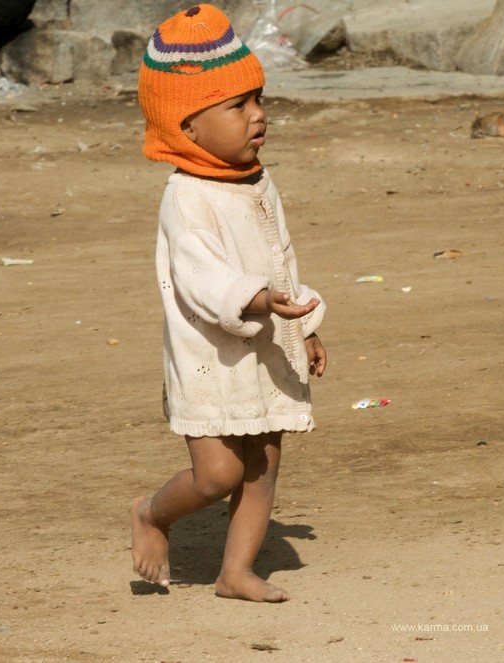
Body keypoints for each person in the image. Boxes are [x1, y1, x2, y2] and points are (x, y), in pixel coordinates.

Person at [130, 4, 327, 603]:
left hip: (269, 345)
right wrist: (261, 298)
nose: (258, 116)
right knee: (218, 475)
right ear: (186, 127)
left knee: (262, 467)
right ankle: (150, 515)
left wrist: (307, 326)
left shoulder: (258, 182)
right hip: (211, 355)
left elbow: (280, 255)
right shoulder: (186, 198)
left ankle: (234, 572)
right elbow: (201, 278)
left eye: (258, 100)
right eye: (236, 106)